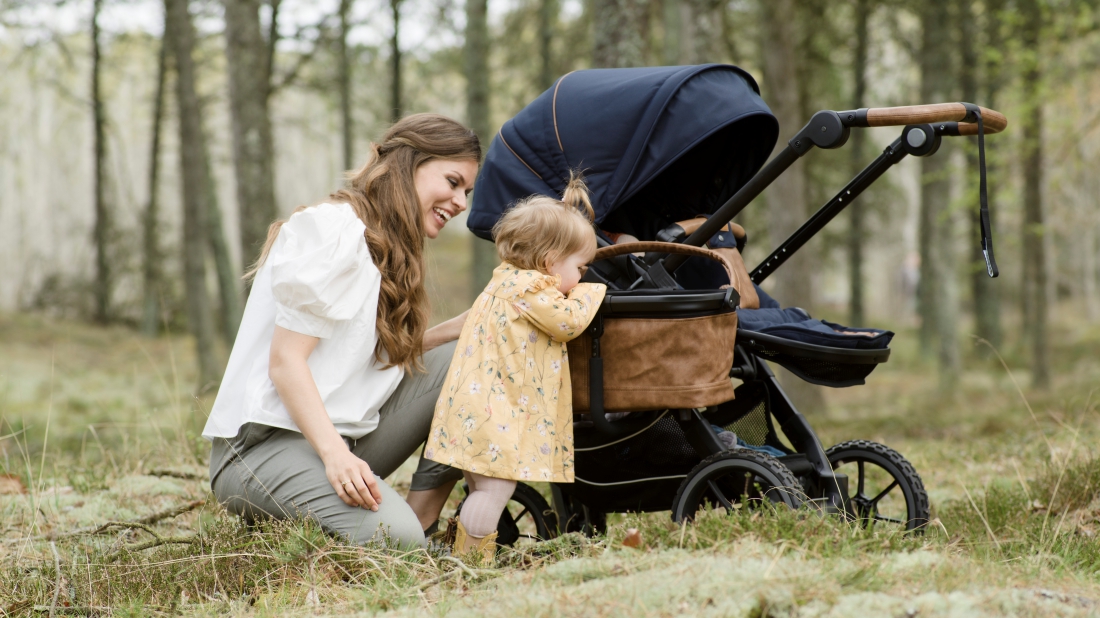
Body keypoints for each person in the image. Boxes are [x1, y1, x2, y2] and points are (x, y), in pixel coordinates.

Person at [203, 113, 481, 549]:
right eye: (452, 181)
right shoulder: (333, 229)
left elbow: (364, 356)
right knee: (398, 540)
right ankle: (407, 536)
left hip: (342, 436)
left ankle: (421, 518)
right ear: (409, 164)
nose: (460, 202)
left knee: (471, 354)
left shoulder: (385, 244)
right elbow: (286, 363)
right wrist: (335, 458)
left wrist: (456, 330)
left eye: (466, 191)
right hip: (260, 451)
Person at [424, 175, 607, 561]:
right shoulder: (534, 291)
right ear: (549, 264)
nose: (583, 277)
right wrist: (593, 292)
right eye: (581, 268)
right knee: (492, 493)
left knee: (484, 490)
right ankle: (470, 562)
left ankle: (465, 551)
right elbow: (569, 323)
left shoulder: (504, 280)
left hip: (477, 410)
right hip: (493, 415)